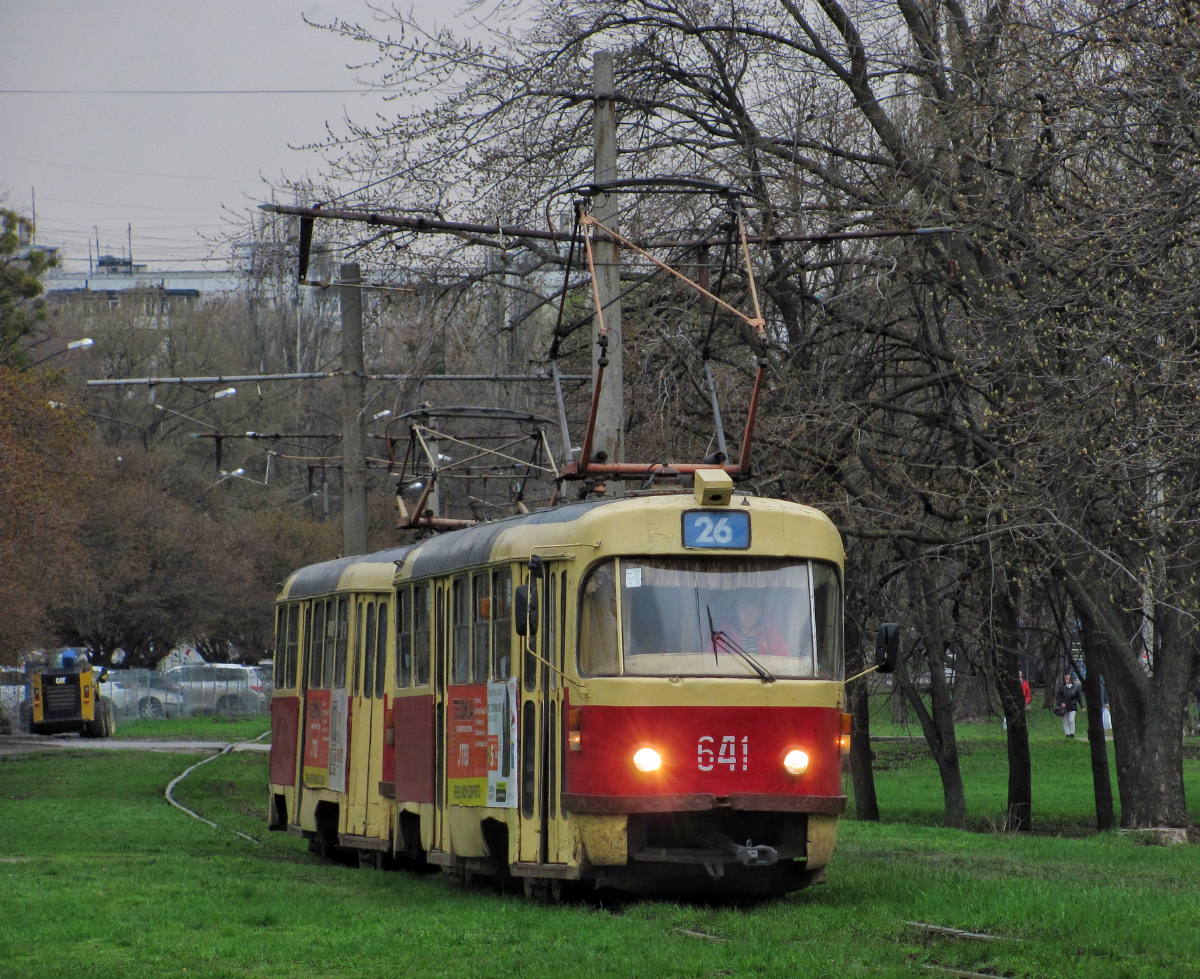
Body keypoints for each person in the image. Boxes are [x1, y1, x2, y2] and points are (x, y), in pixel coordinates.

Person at [1058, 672, 1084, 737]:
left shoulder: (1075, 687)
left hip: (1073, 706)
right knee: (1065, 720)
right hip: (1065, 707)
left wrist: (1082, 706)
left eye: (1068, 679)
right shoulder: (1062, 687)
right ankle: (1067, 734)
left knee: (1071, 720)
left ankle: (1072, 733)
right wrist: (1061, 703)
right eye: (1066, 678)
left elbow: (1079, 697)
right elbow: (1058, 697)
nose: (1067, 680)